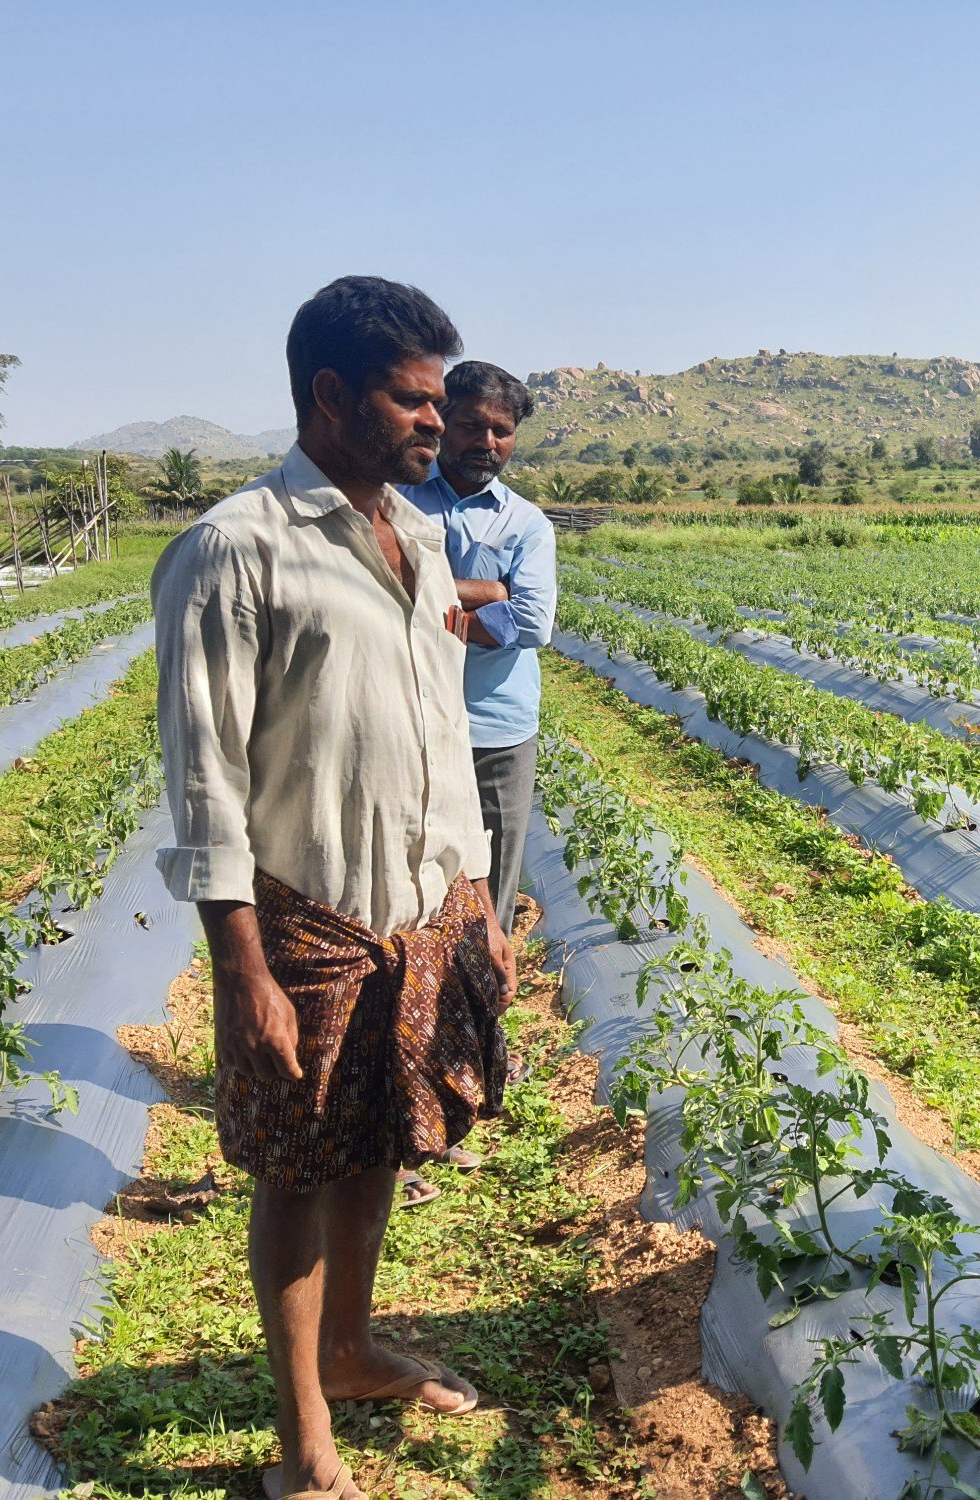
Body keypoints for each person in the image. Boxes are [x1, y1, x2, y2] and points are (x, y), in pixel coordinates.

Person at [152, 276, 516, 1500]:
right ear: (329, 395)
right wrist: (239, 965)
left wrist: (476, 904)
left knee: (379, 1142)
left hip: (418, 913)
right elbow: (204, 779)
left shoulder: (413, 537)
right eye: (411, 401)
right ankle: (301, 1437)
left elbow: (439, 743)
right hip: (305, 912)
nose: (437, 421)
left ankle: (355, 1350)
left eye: (437, 399)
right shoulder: (233, 550)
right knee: (297, 1164)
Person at [395, 361, 556, 1205]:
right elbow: (372, 593)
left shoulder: (527, 521)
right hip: (408, 728)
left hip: (495, 735)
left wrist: (426, 595)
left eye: (502, 430)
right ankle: (403, 1098)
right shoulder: (394, 503)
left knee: (487, 911)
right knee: (408, 906)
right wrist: (472, 592)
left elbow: (532, 621)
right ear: (439, 421)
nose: (486, 442)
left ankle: (471, 1069)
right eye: (472, 426)